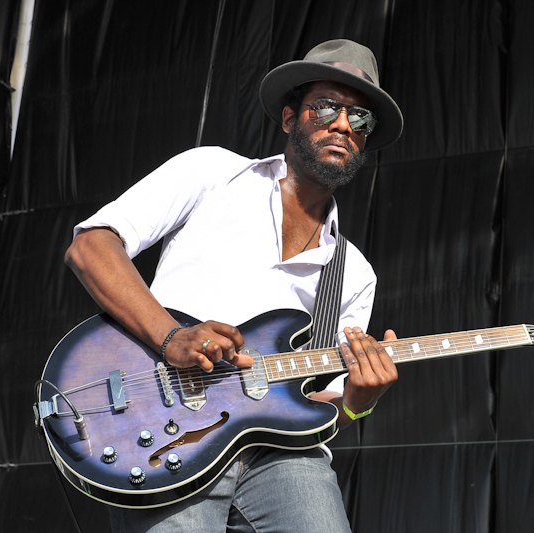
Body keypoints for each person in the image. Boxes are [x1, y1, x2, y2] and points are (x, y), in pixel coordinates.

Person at [65, 39, 403, 532]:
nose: (342, 125)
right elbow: (92, 246)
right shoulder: (212, 173)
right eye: (327, 106)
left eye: (360, 118)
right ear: (290, 117)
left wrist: (358, 401)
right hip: (169, 429)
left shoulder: (354, 272)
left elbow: (321, 410)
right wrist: (169, 335)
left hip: (283, 458)